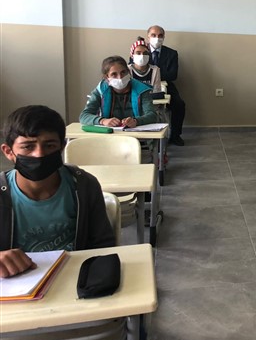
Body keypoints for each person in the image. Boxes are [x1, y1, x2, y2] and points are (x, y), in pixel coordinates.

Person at [0, 105, 115, 278]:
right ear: (9, 152)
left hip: (76, 278)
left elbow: (103, 244)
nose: (39, 154)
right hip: (16, 284)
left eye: (49, 145)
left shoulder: (84, 186)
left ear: (62, 147)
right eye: (28, 146)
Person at [80, 55, 158, 128]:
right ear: (107, 77)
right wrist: (103, 121)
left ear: (128, 72)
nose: (120, 77)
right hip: (109, 134)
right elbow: (84, 116)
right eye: (114, 74)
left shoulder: (141, 90)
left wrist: (136, 121)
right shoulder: (101, 91)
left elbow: (152, 115)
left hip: (136, 134)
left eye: (123, 72)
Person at [147, 25, 186, 146]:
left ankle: (175, 136)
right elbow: (134, 72)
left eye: (160, 35)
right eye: (153, 35)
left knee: (179, 104)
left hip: (166, 85)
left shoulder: (171, 53)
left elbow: (173, 75)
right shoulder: (140, 52)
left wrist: (151, 73)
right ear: (148, 36)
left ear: (164, 37)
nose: (157, 38)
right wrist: (159, 73)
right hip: (144, 86)